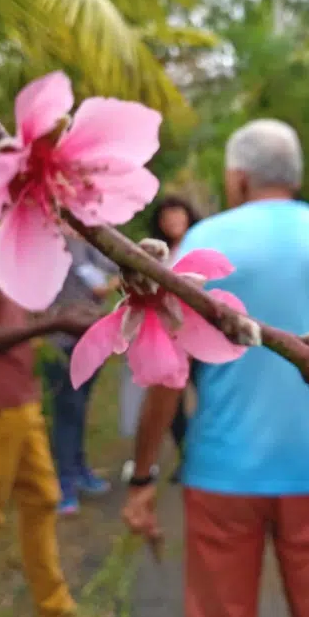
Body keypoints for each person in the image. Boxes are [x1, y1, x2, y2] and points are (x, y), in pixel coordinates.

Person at [122, 119, 309, 617]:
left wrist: (142, 475)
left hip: (223, 474)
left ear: (240, 178)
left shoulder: (203, 245)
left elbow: (169, 371)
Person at [0, 283, 99, 617]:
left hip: (19, 398)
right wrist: (50, 325)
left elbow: (7, 318)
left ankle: (56, 610)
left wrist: (60, 316)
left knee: (42, 499)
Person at [119, 195, 201, 484]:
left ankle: (203, 454)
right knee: (171, 402)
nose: (173, 221)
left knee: (204, 395)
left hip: (201, 334)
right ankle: (187, 455)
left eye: (178, 214)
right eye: (166, 217)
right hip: (168, 336)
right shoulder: (156, 255)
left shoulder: (203, 243)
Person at [45, 229, 119, 514]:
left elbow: (119, 266)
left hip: (93, 338)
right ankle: (64, 484)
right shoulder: (47, 242)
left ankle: (79, 470)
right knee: (67, 408)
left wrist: (110, 285)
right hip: (58, 341)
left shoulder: (91, 240)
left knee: (80, 407)